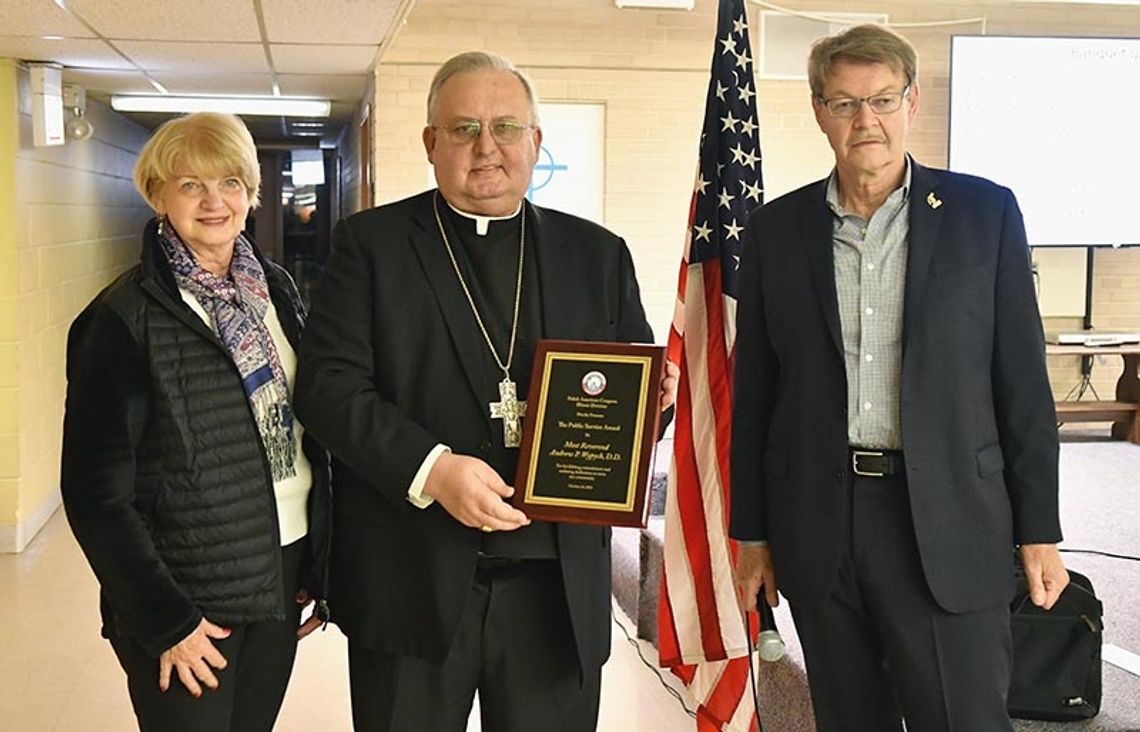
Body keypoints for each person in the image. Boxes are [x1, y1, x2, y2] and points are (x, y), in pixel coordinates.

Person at [294, 51, 677, 732]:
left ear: (536, 141)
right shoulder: (370, 246)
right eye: (465, 128)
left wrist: (659, 398)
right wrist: (432, 470)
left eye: (506, 127)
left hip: (553, 591)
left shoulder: (597, 254)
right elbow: (327, 388)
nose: (487, 147)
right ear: (430, 143)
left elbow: (626, 392)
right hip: (410, 576)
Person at [730, 24, 1069, 732]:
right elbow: (756, 393)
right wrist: (753, 534)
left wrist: (1039, 528)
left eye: (882, 100)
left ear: (911, 102)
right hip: (822, 524)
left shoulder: (985, 214)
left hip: (950, 517)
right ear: (820, 110)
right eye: (846, 103)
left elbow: (1023, 388)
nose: (867, 121)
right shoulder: (775, 231)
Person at [60, 112, 331, 732]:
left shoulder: (275, 290)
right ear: (158, 195)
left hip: (280, 570)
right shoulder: (123, 318)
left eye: (230, 182)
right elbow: (95, 494)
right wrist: (165, 620)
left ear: (250, 192)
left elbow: (304, 431)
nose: (215, 201)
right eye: (190, 185)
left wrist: (318, 562)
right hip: (187, 588)